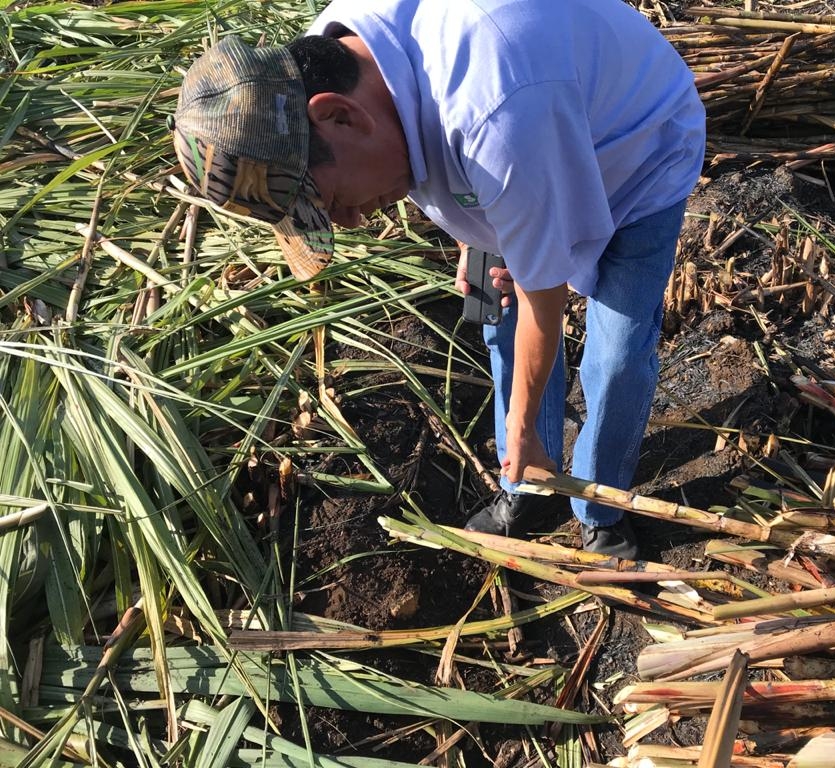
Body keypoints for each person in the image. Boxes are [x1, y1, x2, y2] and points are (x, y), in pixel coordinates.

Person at [170, 0, 705, 559]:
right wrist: (469, 228)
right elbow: (423, 137)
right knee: (493, 312)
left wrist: (519, 424)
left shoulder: (495, 112)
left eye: (329, 200)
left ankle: (599, 507)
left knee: (615, 354)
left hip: (634, 148)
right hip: (526, 145)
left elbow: (545, 305)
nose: (351, 221)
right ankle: (527, 482)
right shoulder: (303, 75)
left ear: (340, 117)